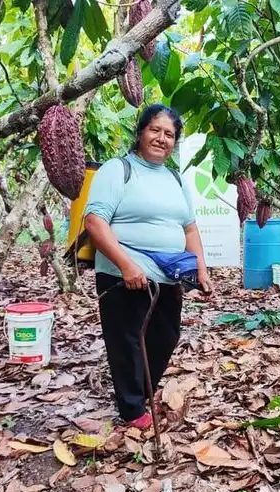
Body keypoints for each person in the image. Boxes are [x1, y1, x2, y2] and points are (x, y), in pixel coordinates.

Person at [83, 104, 213, 430]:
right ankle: (131, 410)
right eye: (155, 130)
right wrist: (126, 265)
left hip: (168, 275)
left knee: (166, 336)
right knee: (126, 339)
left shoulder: (175, 179)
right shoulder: (118, 169)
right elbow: (95, 222)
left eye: (169, 134)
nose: (161, 138)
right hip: (122, 273)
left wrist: (201, 269)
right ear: (140, 132)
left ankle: (140, 395)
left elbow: (189, 228)